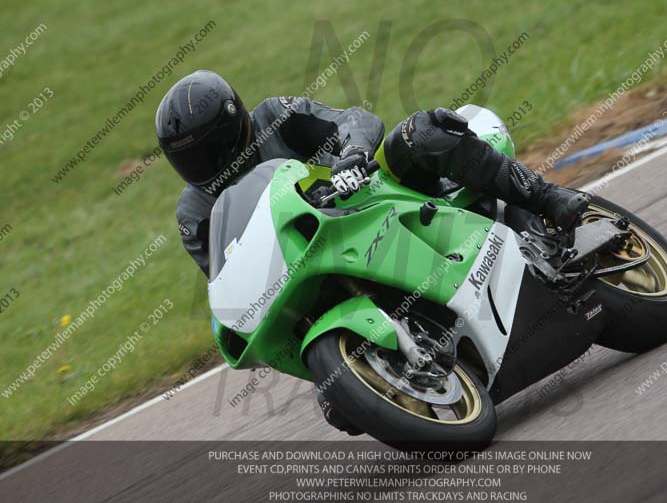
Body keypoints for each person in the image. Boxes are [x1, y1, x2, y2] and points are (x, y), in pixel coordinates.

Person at [155, 69, 589, 432]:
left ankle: (548, 198)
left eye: (205, 150)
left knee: (424, 132)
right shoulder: (194, 213)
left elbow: (353, 121)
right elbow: (229, 277)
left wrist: (353, 155)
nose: (201, 165)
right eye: (187, 159)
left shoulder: (276, 118)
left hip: (367, 200)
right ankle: (413, 360)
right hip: (310, 272)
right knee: (338, 408)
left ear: (232, 131)